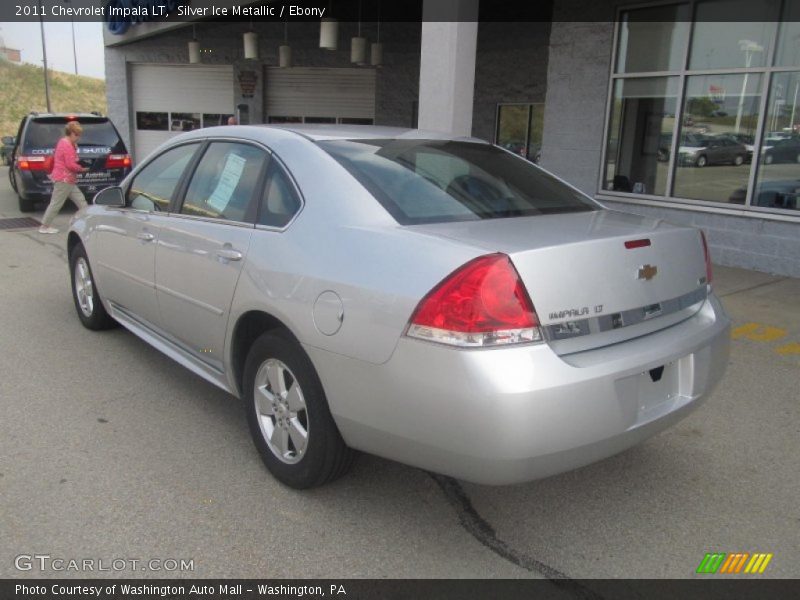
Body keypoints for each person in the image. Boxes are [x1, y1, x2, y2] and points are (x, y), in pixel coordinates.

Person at [39, 121, 88, 234]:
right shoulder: (67, 145)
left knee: (81, 200)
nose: (78, 137)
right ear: (70, 133)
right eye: (76, 135)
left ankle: (87, 220)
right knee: (57, 203)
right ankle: (44, 226)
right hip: (64, 179)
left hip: (66, 179)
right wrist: (81, 169)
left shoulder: (63, 142)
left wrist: (74, 149)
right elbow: (71, 164)